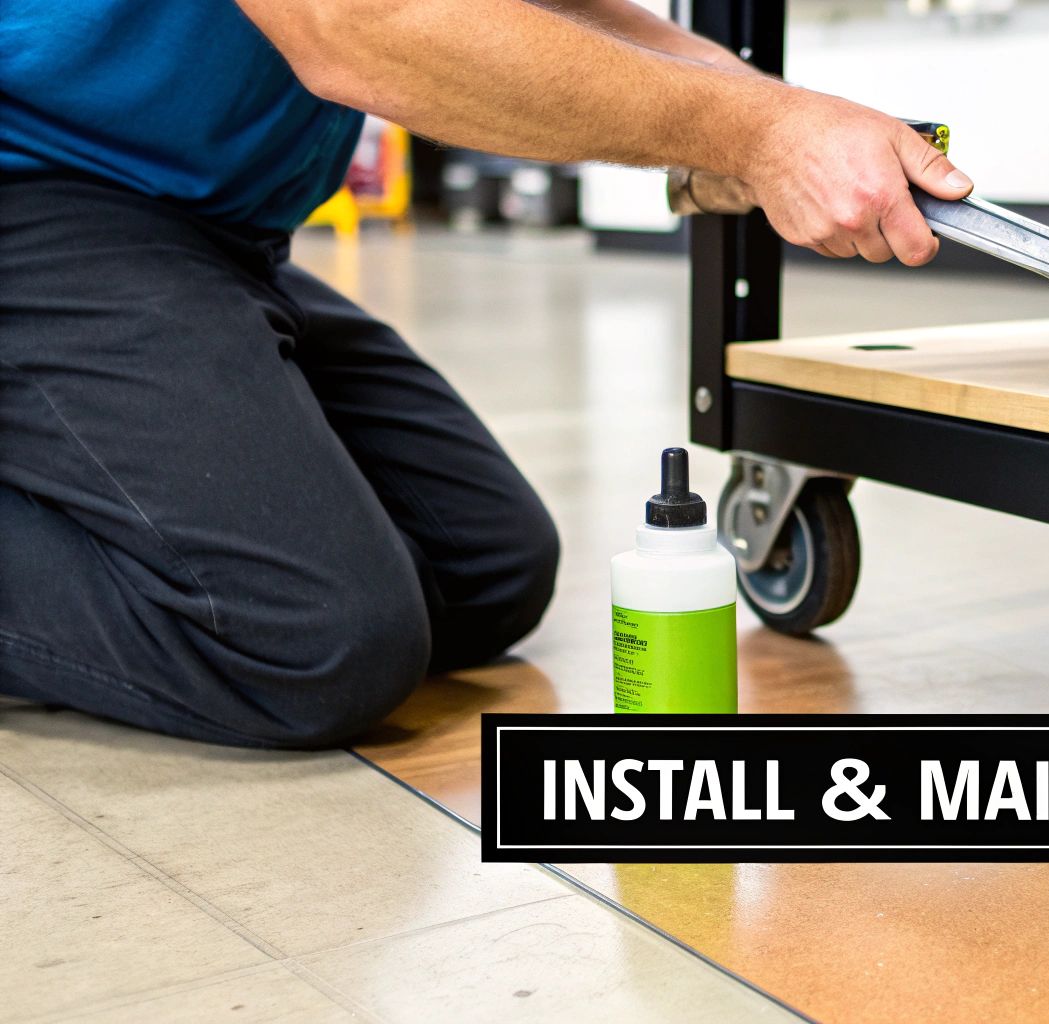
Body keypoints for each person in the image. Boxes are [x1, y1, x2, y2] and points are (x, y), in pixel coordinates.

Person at [0, 0, 974, 747]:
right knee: (308, 639)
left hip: (207, 229)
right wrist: (756, 134)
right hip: (37, 198)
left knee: (482, 574)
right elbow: (360, 24)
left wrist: (776, 119)